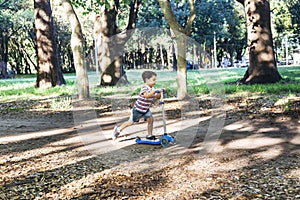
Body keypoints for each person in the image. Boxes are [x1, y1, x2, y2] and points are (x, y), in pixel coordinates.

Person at [112, 71, 164, 140]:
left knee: (150, 120)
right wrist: (154, 91)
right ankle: (118, 130)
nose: (155, 81)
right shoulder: (144, 88)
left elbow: (157, 97)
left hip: (145, 110)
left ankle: (149, 135)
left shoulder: (152, 89)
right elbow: (146, 96)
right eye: (153, 80)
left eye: (155, 80)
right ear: (147, 80)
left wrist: (159, 93)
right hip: (138, 110)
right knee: (130, 122)